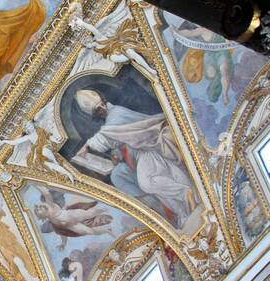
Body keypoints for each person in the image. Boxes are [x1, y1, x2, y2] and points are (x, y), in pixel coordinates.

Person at [74, 88, 197, 228]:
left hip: (146, 152)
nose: (102, 108)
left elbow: (108, 134)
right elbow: (118, 140)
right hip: (142, 155)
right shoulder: (111, 120)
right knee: (158, 191)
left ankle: (184, 191)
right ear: (95, 114)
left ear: (104, 100)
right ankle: (183, 213)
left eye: (102, 104)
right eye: (98, 109)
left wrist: (87, 146)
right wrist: (117, 155)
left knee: (147, 183)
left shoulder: (116, 114)